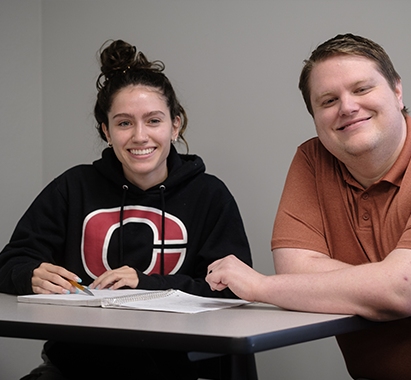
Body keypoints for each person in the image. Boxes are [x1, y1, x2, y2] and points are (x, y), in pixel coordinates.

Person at [206, 33, 411, 380]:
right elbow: (296, 271)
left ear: (397, 91)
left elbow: (401, 291)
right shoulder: (313, 159)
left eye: (362, 89)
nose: (347, 107)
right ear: (315, 115)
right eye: (328, 100)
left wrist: (260, 287)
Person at [0, 39, 252, 380]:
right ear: (106, 131)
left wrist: (145, 283)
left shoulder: (210, 195)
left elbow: (234, 287)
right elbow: (9, 263)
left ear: (176, 125)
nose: (139, 136)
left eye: (153, 121)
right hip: (78, 367)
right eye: (123, 123)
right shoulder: (73, 188)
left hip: (180, 370)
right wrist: (27, 275)